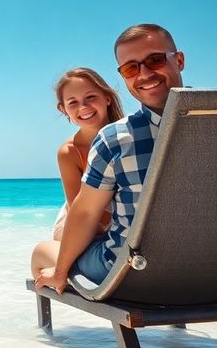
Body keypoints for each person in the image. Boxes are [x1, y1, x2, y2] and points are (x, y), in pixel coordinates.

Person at [33, 23, 185, 292]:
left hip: (133, 272)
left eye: (155, 59)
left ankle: (52, 330)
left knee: (41, 253)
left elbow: (86, 213)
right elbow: (77, 210)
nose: (145, 73)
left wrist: (60, 271)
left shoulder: (116, 138)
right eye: (131, 68)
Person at [51, 68, 124, 240]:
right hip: (79, 225)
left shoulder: (133, 137)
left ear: (107, 98)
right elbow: (80, 213)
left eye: (90, 97)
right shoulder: (69, 152)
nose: (83, 107)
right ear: (63, 110)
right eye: (72, 102)